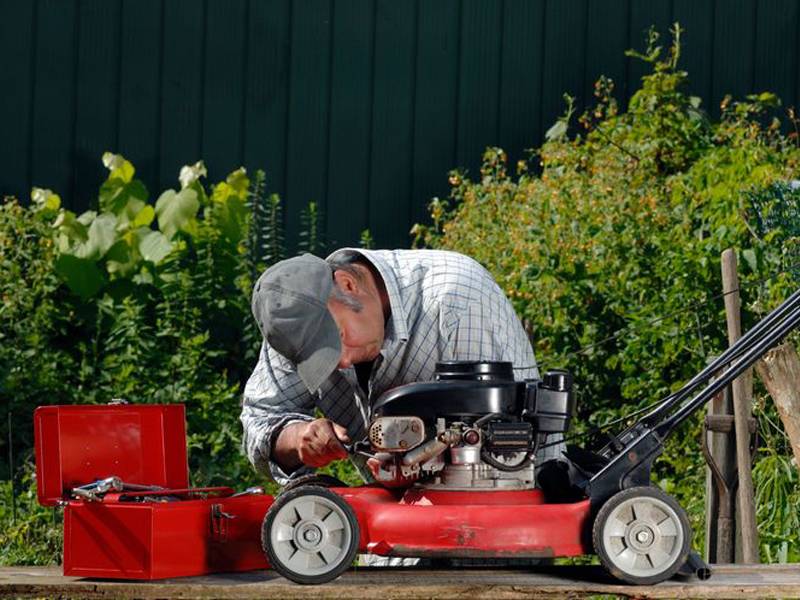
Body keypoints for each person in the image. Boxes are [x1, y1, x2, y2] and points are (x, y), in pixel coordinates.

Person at [241, 248, 565, 485]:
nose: (339, 362)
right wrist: (295, 438)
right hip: (390, 545)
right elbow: (260, 419)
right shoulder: (293, 324)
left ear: (348, 285)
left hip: (495, 541)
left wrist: (421, 457)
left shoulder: (457, 302)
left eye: (336, 337)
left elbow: (514, 451)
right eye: (316, 358)